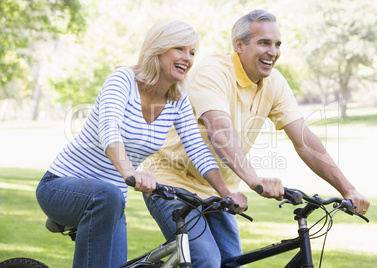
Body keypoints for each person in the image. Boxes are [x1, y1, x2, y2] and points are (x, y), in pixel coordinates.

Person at [142, 10, 371, 267]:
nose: (273, 51)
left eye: (277, 44)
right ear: (239, 45)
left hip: (219, 190)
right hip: (171, 184)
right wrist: (253, 178)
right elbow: (219, 129)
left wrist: (347, 188)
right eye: (264, 43)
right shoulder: (213, 71)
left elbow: (305, 140)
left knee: (233, 262)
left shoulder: (274, 83)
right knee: (206, 259)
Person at [36, 20, 246, 268]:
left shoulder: (177, 98)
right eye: (179, 48)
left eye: (192, 52)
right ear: (158, 49)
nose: (187, 58)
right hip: (60, 185)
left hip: (112, 203)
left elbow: (197, 149)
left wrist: (226, 193)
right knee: (108, 193)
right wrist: (129, 171)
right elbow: (109, 130)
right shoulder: (123, 79)